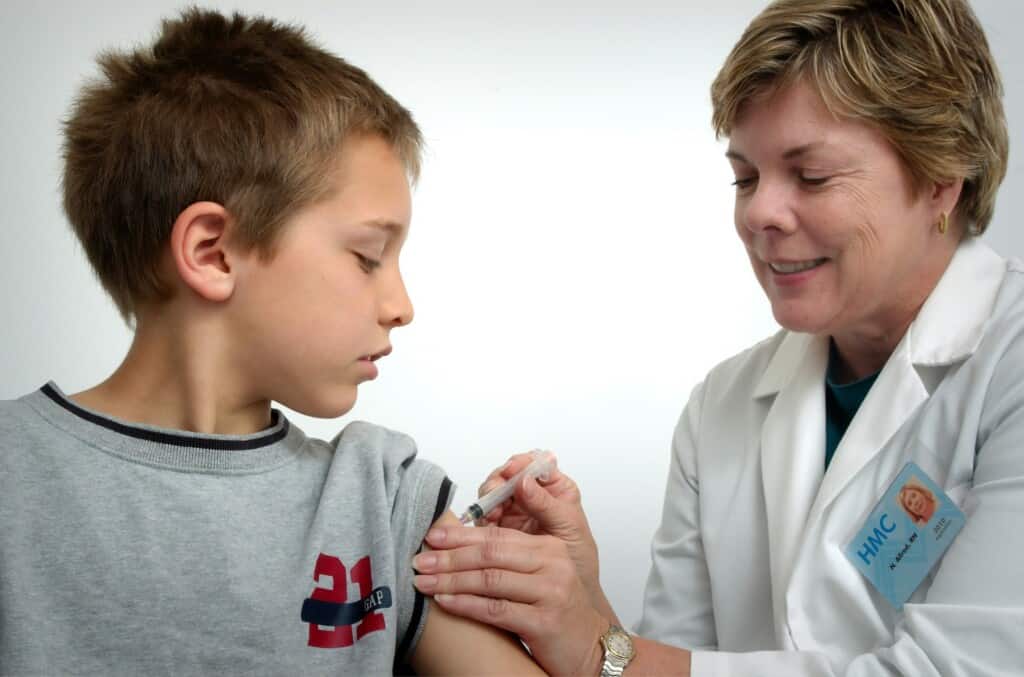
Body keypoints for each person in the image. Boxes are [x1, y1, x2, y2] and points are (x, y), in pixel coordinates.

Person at [413, 0, 1024, 674]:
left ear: (942, 177)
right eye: (746, 176)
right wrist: (584, 597)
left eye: (811, 176)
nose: (759, 211)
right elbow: (663, 664)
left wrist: (592, 648)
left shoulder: (1008, 362)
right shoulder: (724, 404)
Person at [0, 8, 544, 676]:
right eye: (369, 255)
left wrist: (581, 610)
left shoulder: (381, 501)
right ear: (214, 253)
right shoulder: (10, 479)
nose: (402, 307)